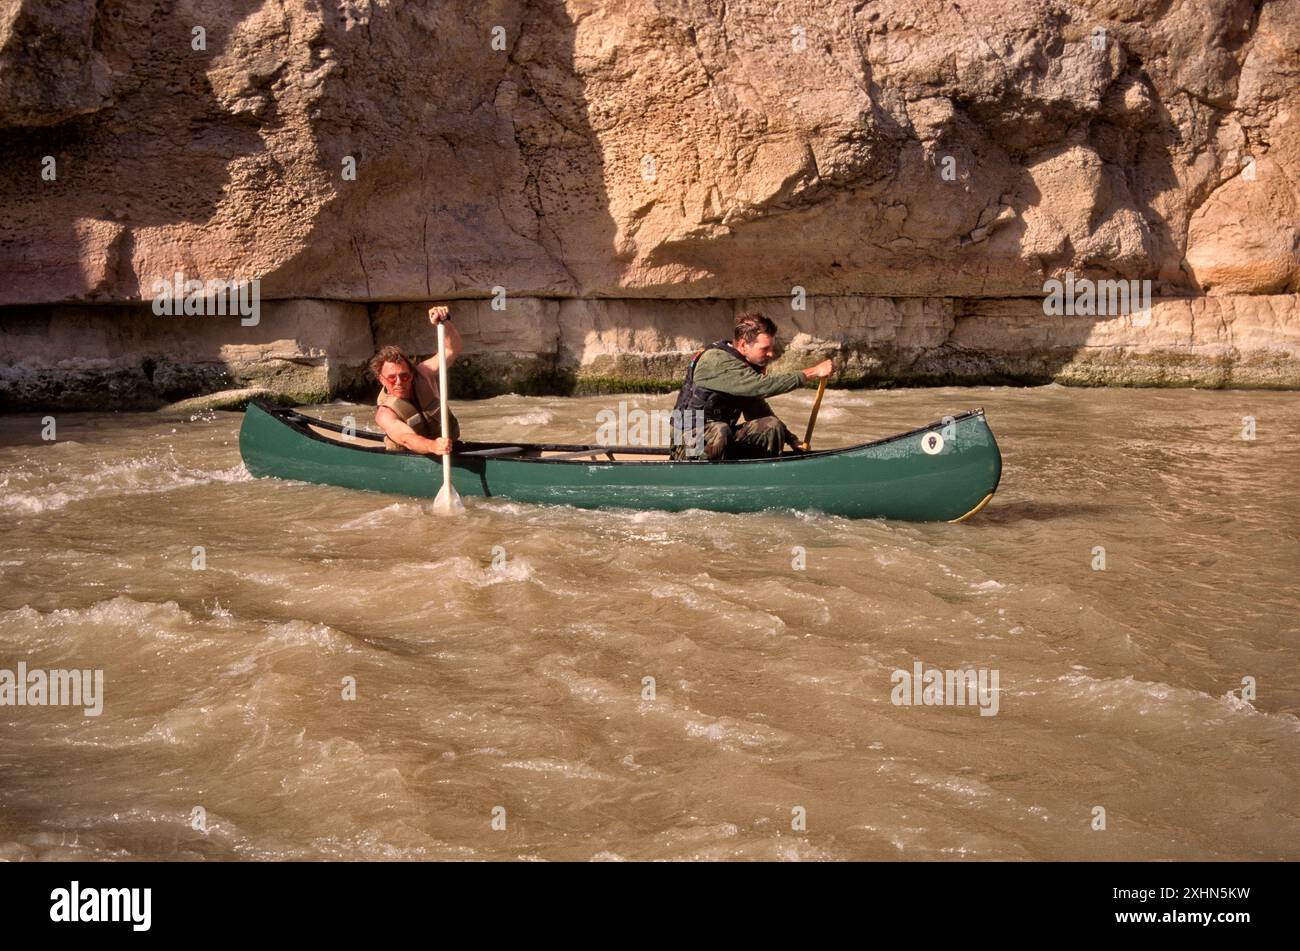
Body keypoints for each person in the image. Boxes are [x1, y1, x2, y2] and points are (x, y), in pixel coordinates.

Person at [669, 312, 833, 460]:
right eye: (765, 349)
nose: (771, 354)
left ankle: (762, 477)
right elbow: (762, 386)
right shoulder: (716, 359)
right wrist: (812, 372)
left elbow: (757, 409)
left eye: (771, 348)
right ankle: (709, 479)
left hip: (720, 437)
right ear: (742, 345)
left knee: (771, 426)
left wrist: (792, 440)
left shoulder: (744, 369)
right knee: (720, 430)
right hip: (686, 441)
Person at [371, 305, 462, 455]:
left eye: (404, 376)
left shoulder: (423, 373)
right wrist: (433, 446)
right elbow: (406, 438)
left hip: (447, 448)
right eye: (392, 378)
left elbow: (451, 350)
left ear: (412, 374)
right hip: (411, 454)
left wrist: (445, 323)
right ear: (381, 379)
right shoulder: (385, 413)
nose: (399, 382)